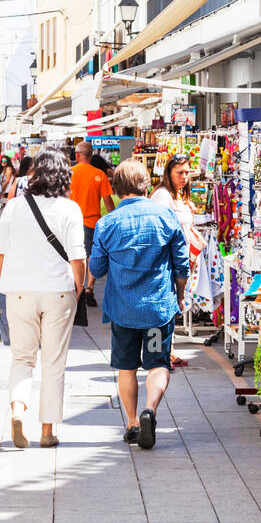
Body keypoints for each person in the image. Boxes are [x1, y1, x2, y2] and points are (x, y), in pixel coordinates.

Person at [0, 149, 85, 450]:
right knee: (53, 362)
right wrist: (80, 289)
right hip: (58, 292)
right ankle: (47, 430)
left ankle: (17, 410)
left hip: (18, 292)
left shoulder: (15, 207)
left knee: (22, 358)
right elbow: (78, 258)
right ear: (64, 175)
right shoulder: (70, 209)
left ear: (35, 174)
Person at [89, 158, 188, 450]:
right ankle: (150, 410)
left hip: (122, 309)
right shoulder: (166, 217)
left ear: (117, 189)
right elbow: (181, 265)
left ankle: (132, 422)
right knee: (158, 364)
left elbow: (96, 269)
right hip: (158, 306)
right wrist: (179, 295)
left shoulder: (106, 223)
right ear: (146, 185)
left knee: (126, 367)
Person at [152, 153, 206, 368]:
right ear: (169, 173)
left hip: (180, 257)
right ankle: (161, 353)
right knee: (167, 305)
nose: (184, 177)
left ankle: (169, 351)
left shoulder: (178, 195)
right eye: (179, 173)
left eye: (187, 172)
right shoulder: (162, 196)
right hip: (167, 259)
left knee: (174, 303)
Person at [69, 141, 114, 307]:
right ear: (92, 155)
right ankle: (89, 287)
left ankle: (75, 286)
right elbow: (108, 201)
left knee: (72, 255)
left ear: (77, 155)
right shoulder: (99, 174)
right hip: (92, 222)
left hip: (70, 222)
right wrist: (115, 218)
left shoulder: (69, 173)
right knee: (90, 256)